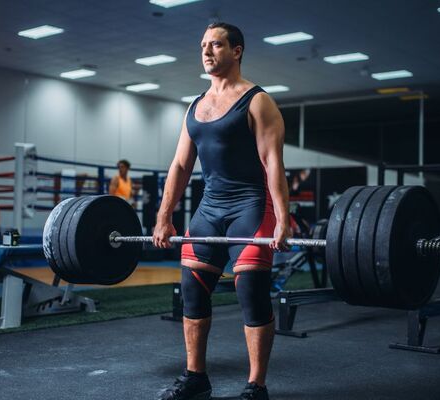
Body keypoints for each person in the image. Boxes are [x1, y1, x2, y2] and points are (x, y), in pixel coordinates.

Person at [153, 22, 290, 400]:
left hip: (251, 207)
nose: (207, 51)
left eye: (216, 44)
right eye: (203, 46)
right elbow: (180, 166)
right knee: (191, 292)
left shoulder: (258, 101)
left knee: (251, 293)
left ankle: (256, 386)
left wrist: (281, 219)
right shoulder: (196, 107)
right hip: (210, 209)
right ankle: (196, 378)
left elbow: (273, 164)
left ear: (237, 50)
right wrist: (164, 216)